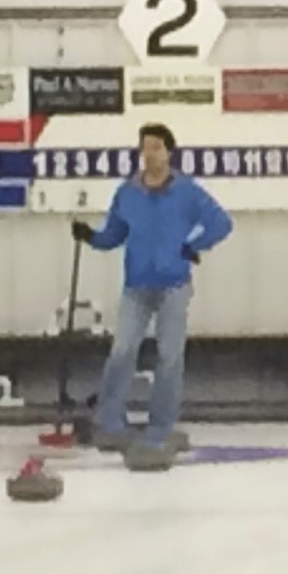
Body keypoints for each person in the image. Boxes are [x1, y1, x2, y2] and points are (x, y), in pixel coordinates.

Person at [72, 122, 231, 460]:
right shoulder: (127, 192)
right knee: (122, 351)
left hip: (174, 286)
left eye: (156, 147)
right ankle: (111, 423)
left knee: (169, 357)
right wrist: (90, 236)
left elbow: (222, 223)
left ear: (169, 152)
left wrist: (195, 245)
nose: (149, 154)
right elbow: (113, 235)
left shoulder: (188, 192)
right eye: (145, 147)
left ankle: (161, 427)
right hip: (136, 287)